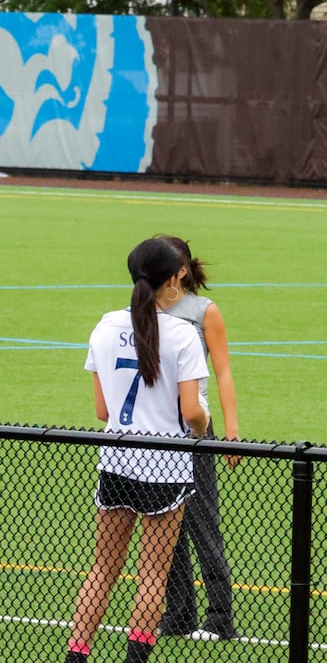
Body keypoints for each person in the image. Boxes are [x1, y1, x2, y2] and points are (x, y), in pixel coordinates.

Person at [67, 238, 210, 663]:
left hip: (115, 459)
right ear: (172, 279)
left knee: (103, 568)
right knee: (152, 572)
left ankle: (77, 654)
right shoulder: (182, 334)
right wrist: (203, 421)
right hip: (164, 464)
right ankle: (135, 659)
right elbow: (192, 412)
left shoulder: (106, 325)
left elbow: (101, 410)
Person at [153, 235, 241, 641]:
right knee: (162, 523)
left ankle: (220, 616)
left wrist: (232, 433)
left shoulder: (203, 311)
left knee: (202, 521)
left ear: (182, 269)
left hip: (195, 430)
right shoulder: (143, 307)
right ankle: (179, 612)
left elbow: (222, 372)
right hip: (154, 429)